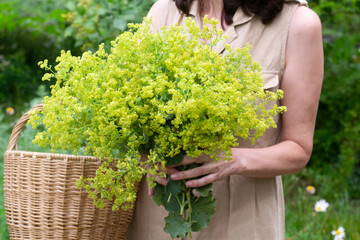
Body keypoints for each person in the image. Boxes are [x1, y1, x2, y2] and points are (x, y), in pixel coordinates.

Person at [126, 0, 323, 239]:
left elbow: (298, 150)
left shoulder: (298, 24)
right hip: (159, 218)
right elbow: (129, 117)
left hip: (242, 220)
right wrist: (145, 156)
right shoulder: (163, 11)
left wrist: (231, 160)